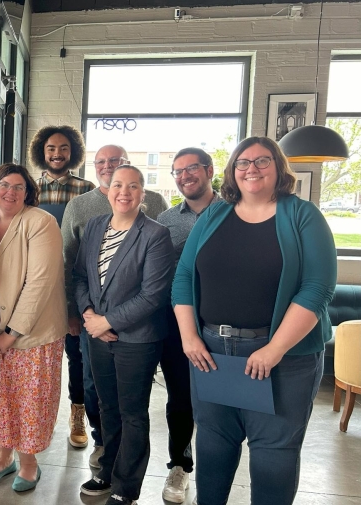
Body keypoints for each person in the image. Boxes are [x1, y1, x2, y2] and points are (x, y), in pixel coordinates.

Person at [172, 137, 336, 505]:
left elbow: (317, 288)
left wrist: (274, 349)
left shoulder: (302, 215)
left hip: (284, 359)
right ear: (231, 171)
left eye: (263, 161)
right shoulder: (215, 215)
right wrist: (189, 337)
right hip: (211, 352)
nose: (252, 168)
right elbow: (183, 276)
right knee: (213, 447)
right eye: (243, 162)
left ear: (279, 167)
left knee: (273, 456)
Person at [60, 143, 169, 468]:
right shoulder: (88, 219)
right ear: (105, 189)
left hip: (136, 335)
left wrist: (107, 322)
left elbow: (153, 291)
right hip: (93, 328)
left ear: (141, 192)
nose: (123, 191)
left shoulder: (155, 227)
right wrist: (86, 315)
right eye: (117, 184)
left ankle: (126, 483)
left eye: (132, 185)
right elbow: (75, 271)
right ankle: (106, 457)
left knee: (132, 409)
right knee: (102, 399)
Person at [0, 163, 67, 492]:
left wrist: (12, 333)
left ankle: (28, 464)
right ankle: (3, 458)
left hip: (30, 333)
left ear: (28, 192)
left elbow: (40, 282)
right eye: (4, 185)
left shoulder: (41, 222)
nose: (10, 192)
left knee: (28, 400)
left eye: (18, 187)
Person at [28, 125, 101, 458]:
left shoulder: (87, 191)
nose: (56, 154)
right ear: (41, 151)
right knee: (35, 354)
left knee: (76, 354)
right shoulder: (29, 189)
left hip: (72, 284)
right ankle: (30, 419)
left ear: (74, 152)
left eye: (63, 149)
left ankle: (77, 416)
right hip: (33, 284)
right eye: (50, 149)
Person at [155, 147, 222, 503]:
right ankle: (180, 465)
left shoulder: (234, 212)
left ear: (209, 170)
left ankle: (217, 468)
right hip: (177, 322)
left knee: (218, 401)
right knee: (180, 398)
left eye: (191, 168)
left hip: (224, 321)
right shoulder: (166, 221)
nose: (184, 176)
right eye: (177, 171)